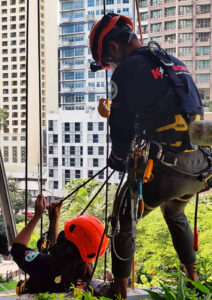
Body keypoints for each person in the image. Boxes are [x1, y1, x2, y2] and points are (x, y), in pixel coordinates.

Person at [89, 13, 211, 299]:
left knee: (123, 216)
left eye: (109, 62)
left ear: (115, 49)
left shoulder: (127, 70)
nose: (111, 68)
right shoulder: (174, 64)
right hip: (198, 168)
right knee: (175, 211)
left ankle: (118, 290)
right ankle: (193, 279)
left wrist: (118, 158)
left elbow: (119, 126)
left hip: (167, 169)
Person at [11, 195, 112, 296]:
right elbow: (62, 259)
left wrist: (37, 216)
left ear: (66, 244)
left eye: (66, 234)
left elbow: (17, 248)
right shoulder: (85, 269)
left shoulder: (42, 264)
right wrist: (54, 221)